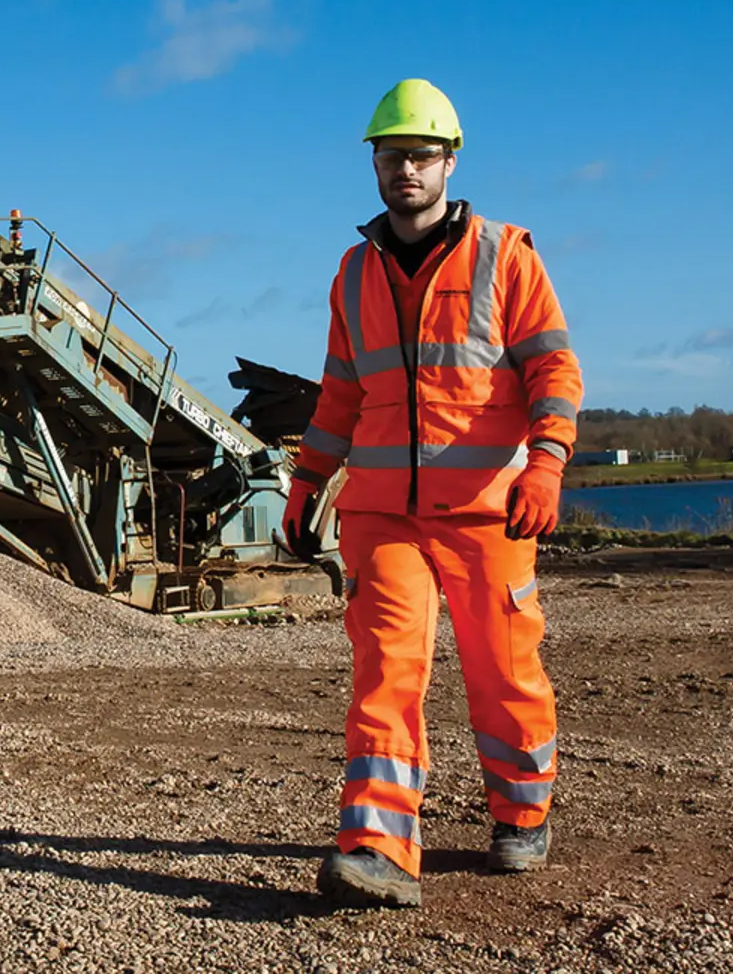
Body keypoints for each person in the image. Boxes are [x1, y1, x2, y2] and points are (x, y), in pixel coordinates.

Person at [283, 78, 583, 908]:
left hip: (488, 509)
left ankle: (522, 815)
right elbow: (341, 395)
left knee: (504, 669)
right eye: (391, 155)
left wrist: (549, 461)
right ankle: (377, 847)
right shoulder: (354, 273)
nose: (405, 168)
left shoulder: (506, 257)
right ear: (374, 164)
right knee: (385, 671)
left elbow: (554, 369)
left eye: (419, 154)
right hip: (382, 515)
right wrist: (307, 482)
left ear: (450, 161)